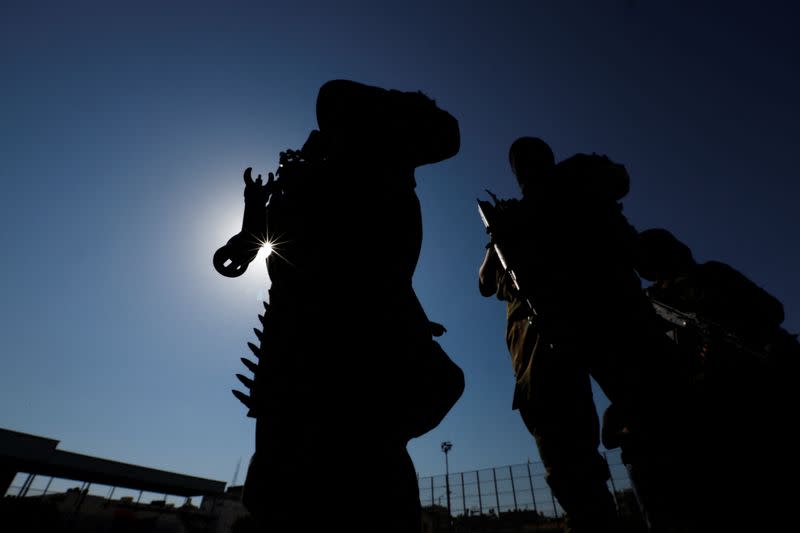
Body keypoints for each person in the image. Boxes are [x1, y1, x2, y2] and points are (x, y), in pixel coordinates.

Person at [214, 80, 463, 533]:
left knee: (367, 476)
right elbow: (273, 238)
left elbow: (445, 136)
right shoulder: (316, 172)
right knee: (289, 487)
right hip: (298, 348)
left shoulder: (381, 159)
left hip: (358, 349)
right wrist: (252, 228)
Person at [479, 137, 698, 533]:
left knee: (660, 432)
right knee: (577, 458)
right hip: (556, 336)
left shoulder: (578, 184)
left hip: (604, 321)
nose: (526, 168)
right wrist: (498, 234)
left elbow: (622, 199)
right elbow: (488, 281)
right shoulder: (531, 213)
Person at [633, 227, 797, 531]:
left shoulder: (713, 275)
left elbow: (773, 311)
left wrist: (732, 332)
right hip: (712, 402)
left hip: (758, 386)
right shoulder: (651, 303)